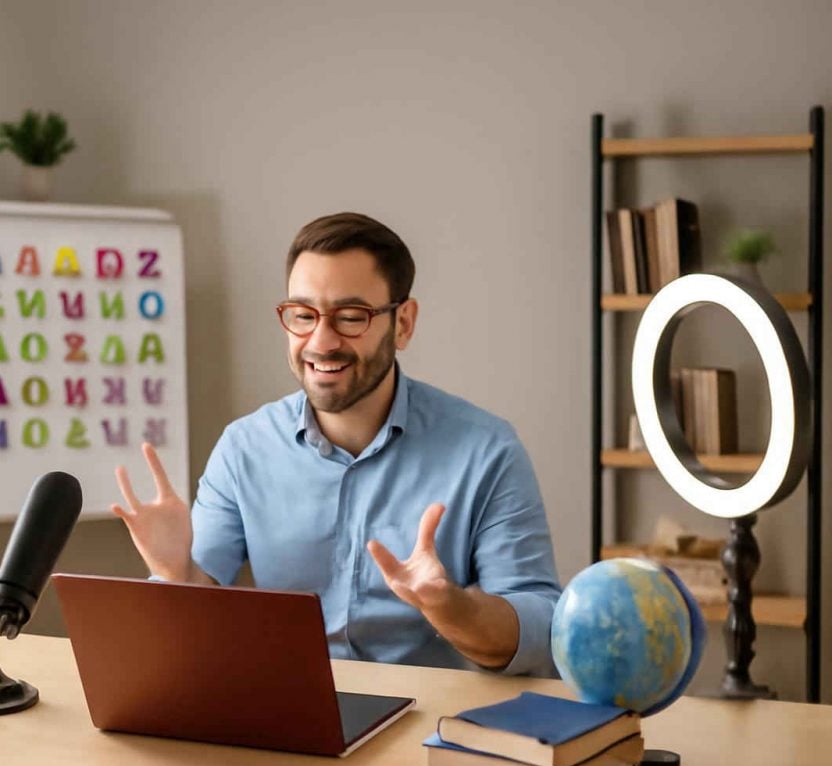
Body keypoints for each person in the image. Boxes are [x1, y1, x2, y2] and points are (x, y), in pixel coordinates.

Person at [112, 212, 562, 676]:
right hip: (287, 717)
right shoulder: (243, 448)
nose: (321, 342)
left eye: (351, 317)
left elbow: (540, 631)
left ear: (403, 324)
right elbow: (195, 615)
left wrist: (451, 608)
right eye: (303, 316)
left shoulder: (486, 451)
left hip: (430, 727)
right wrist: (175, 573)